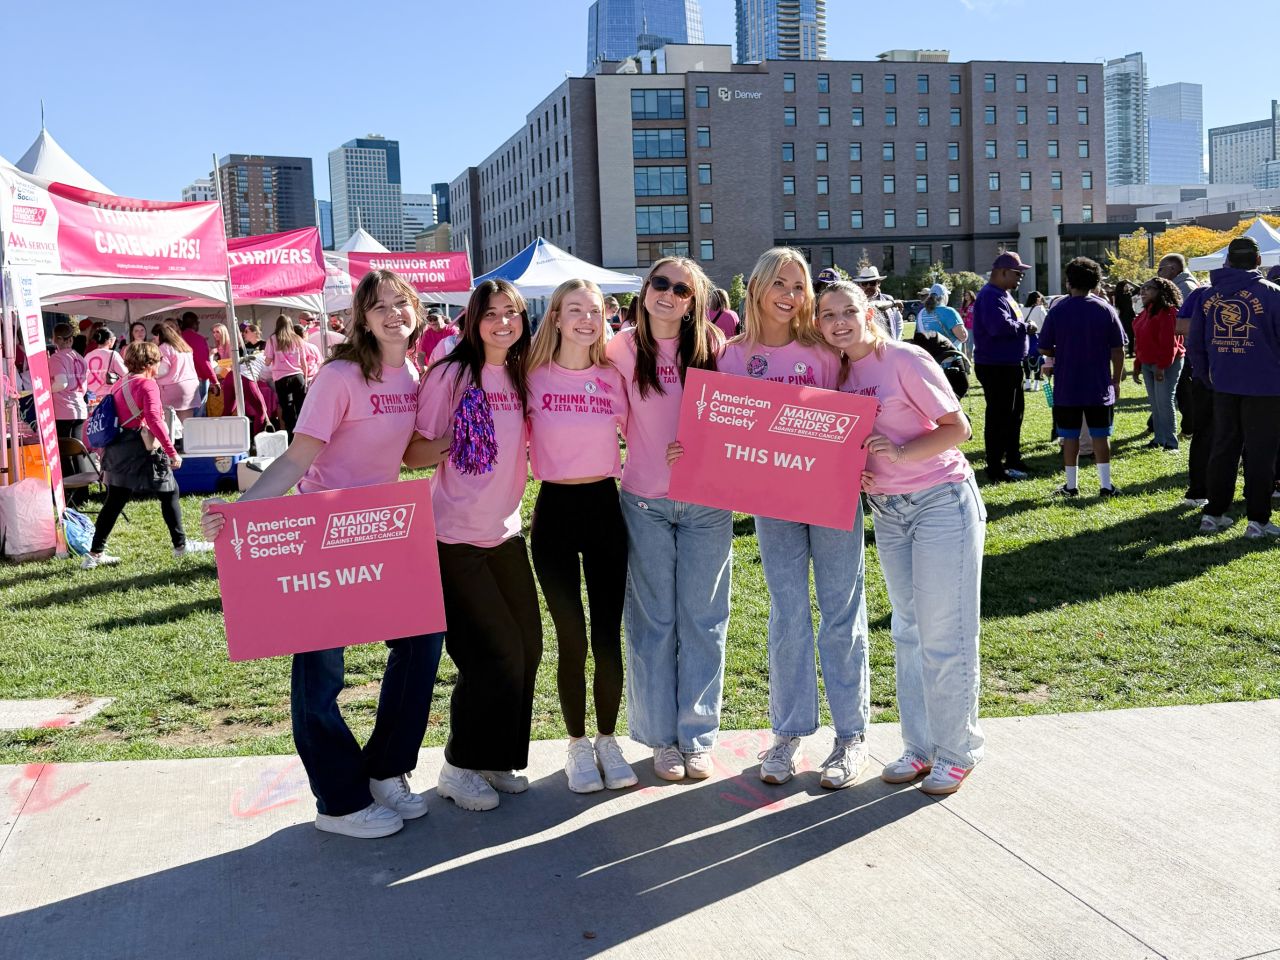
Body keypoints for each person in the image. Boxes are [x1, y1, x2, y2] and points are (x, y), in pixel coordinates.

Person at [201, 269, 443, 840]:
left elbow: (405, 456)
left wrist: (478, 434)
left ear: (415, 312)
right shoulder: (338, 376)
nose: (391, 314)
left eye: (400, 304)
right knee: (321, 672)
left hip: (386, 531)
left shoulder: (412, 373)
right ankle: (338, 801)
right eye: (378, 305)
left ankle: (385, 770)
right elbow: (294, 460)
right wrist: (242, 512)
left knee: (422, 642)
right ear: (360, 317)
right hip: (323, 533)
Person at [816, 279, 985, 795]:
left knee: (945, 634)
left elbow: (958, 428)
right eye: (827, 315)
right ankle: (919, 747)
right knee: (908, 631)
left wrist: (900, 454)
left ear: (869, 312)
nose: (839, 322)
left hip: (940, 502)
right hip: (888, 512)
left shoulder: (906, 359)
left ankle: (957, 751)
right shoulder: (839, 372)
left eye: (848, 311)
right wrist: (860, 470)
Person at [718, 248, 869, 790]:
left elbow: (858, 411)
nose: (789, 294)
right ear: (757, 287)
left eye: (798, 286)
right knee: (787, 615)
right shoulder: (731, 356)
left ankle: (850, 736)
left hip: (832, 499)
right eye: (778, 283)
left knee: (840, 613)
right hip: (773, 503)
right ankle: (787, 733)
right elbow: (724, 434)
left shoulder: (824, 351)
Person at [412, 278, 542, 812]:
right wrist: (454, 440)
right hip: (454, 537)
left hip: (506, 532)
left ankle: (495, 757)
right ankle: (458, 765)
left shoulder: (521, 371)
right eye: (492, 314)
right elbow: (415, 453)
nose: (504, 322)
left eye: (512, 312)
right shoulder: (450, 374)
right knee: (490, 655)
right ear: (473, 319)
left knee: (527, 648)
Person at [605, 256, 727, 782]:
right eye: (661, 283)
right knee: (653, 623)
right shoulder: (620, 348)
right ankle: (660, 739)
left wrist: (705, 449)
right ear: (645, 289)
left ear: (693, 300)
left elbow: (740, 423)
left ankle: (696, 737)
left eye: (681, 289)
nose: (669, 294)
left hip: (707, 505)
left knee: (704, 621)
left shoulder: (715, 348)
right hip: (645, 503)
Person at [524, 279, 636, 794]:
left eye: (595, 310)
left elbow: (648, 430)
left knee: (606, 635)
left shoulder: (615, 375)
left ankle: (608, 740)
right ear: (556, 318)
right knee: (570, 636)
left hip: (604, 510)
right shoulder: (529, 375)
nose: (587, 319)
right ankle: (576, 745)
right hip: (553, 514)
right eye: (575, 310)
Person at [81, 342, 214, 570]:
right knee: (170, 491)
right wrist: (171, 451)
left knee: (114, 501)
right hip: (140, 448)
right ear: (151, 363)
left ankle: (94, 554)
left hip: (117, 449)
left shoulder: (120, 383)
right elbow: (154, 419)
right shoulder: (147, 385)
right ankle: (180, 546)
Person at [1189, 236, 1280, 538]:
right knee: (1260, 454)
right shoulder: (1273, 294)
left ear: (1226, 261)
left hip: (1223, 385)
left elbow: (1196, 344)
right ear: (1257, 261)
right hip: (1266, 387)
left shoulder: (1207, 295)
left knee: (1223, 448)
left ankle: (1214, 514)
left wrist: (1206, 377)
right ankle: (1258, 520)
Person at [1038, 257, 1127, 499]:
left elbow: (1044, 347)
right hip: (1098, 385)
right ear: (1096, 283)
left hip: (1067, 385)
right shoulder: (1105, 309)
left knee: (1069, 436)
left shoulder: (1058, 310)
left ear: (1068, 282)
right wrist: (1116, 380)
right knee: (1101, 435)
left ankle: (1071, 486)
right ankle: (1106, 485)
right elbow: (1118, 350)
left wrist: (1062, 351)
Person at [972, 252, 1034, 482]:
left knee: (1014, 415)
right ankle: (995, 466)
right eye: (1018, 273)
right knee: (1000, 417)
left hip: (1008, 364)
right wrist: (1025, 327)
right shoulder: (990, 296)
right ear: (1002, 272)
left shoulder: (1003, 295)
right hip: (996, 365)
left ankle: (1013, 458)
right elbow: (999, 327)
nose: (1021, 277)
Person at [1132, 277, 1185, 451]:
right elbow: (1139, 341)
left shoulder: (1168, 312)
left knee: (1164, 401)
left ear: (1160, 291)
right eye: (1143, 287)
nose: (1143, 291)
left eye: (1149, 288)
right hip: (1148, 363)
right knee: (1155, 403)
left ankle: (1171, 443)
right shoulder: (1146, 312)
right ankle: (1159, 438)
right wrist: (1137, 365)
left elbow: (1169, 343)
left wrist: (1161, 367)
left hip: (1166, 363)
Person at [50, 324, 89, 476]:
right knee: (77, 450)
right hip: (79, 407)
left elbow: (61, 383)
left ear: (55, 339)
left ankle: (69, 488)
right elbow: (85, 386)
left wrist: (44, 391)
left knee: (65, 452)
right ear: (71, 339)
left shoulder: (57, 358)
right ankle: (82, 492)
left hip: (63, 410)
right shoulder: (80, 358)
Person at [265, 315, 309, 438]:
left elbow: (268, 361)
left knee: (287, 407)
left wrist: (268, 360)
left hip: (281, 378)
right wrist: (304, 379)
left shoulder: (273, 339)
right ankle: (304, 433)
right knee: (301, 406)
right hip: (297, 376)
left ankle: (291, 435)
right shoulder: (297, 339)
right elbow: (304, 362)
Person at [151, 322, 200, 421]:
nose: (154, 339)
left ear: (160, 335)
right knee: (186, 424)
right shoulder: (183, 346)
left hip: (172, 388)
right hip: (191, 388)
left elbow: (163, 370)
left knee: (171, 426)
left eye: (155, 337)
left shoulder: (163, 347)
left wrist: (150, 373)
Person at [850, 265, 903, 339]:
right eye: (864, 283)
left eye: (872, 283)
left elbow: (898, 322)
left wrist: (896, 341)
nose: (868, 286)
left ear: (879, 283)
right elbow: (873, 306)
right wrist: (893, 303)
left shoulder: (888, 298)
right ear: (859, 285)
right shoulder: (856, 302)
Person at [179, 312, 219, 407]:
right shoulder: (198, 339)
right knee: (198, 414)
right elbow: (204, 362)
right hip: (198, 379)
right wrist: (215, 381)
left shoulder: (178, 339)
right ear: (195, 323)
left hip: (181, 380)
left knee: (185, 414)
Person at [915, 283, 968, 350]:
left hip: (928, 356)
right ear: (944, 296)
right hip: (948, 356)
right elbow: (962, 336)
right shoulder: (949, 312)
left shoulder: (921, 313)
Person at [85, 329, 127, 399]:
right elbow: (125, 374)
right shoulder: (113, 354)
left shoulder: (88, 355)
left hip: (91, 396)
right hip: (108, 396)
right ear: (110, 340)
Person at [1023, 291, 1047, 390]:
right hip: (1038, 336)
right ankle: (1036, 384)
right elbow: (1046, 323)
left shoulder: (1022, 309)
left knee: (1026, 359)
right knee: (1038, 359)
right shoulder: (1040, 309)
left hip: (1025, 337)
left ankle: (1027, 382)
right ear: (1037, 299)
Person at [960, 289, 977, 362]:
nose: (966, 297)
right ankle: (964, 358)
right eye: (965, 295)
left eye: (967, 295)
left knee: (970, 342)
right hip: (963, 325)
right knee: (963, 341)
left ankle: (969, 358)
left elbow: (976, 314)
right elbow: (960, 312)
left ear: (971, 296)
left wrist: (967, 315)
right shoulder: (964, 304)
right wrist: (962, 314)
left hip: (971, 325)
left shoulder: (975, 304)